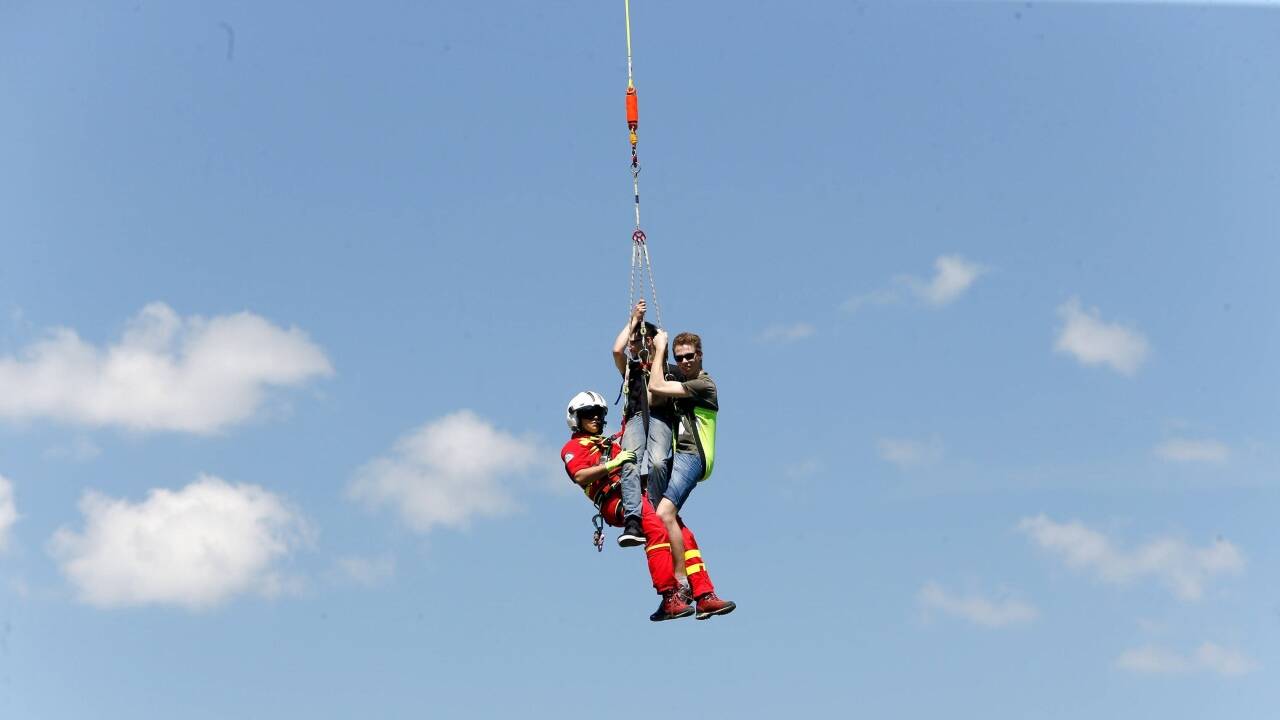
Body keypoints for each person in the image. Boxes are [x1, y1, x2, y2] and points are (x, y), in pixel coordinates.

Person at [560, 390, 695, 621]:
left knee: (683, 534)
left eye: (598, 414)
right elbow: (581, 476)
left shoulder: (609, 443)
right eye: (589, 414)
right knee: (656, 529)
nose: (595, 418)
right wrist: (614, 463)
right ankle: (668, 595)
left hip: (637, 493)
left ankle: (699, 588)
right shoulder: (573, 448)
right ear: (576, 419)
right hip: (615, 500)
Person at [646, 329, 735, 619]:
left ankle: (681, 583)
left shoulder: (703, 384)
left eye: (689, 356)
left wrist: (659, 348)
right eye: (679, 357)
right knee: (658, 512)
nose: (684, 362)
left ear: (700, 356)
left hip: (693, 456)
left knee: (664, 514)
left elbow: (657, 385)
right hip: (680, 456)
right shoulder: (684, 377)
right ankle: (702, 594)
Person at [609, 299, 675, 548]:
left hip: (660, 416)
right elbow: (616, 350)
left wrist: (661, 346)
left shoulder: (668, 370)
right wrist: (634, 319)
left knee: (658, 462)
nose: (631, 345)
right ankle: (634, 519)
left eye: (637, 340)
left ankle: (655, 509)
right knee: (630, 461)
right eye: (632, 341)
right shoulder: (632, 369)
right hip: (637, 417)